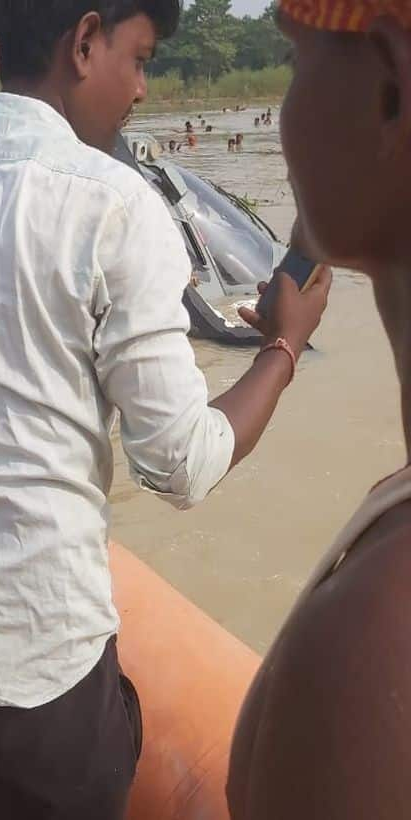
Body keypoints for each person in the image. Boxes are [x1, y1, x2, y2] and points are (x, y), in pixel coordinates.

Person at [0, 0, 331, 816]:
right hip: (34, 664)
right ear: (84, 42)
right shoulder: (115, 206)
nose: (142, 89)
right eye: (141, 57)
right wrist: (286, 348)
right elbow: (182, 465)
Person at [228, 3, 411, 818]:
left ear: (390, 94)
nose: (286, 116)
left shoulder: (378, 646)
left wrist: (282, 350)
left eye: (296, 64)